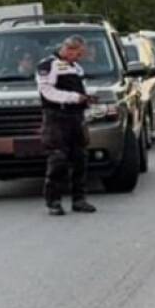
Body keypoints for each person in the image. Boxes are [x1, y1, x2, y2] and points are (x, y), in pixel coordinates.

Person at [37, 36, 97, 216]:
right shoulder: (48, 65)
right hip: (57, 117)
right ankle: (53, 201)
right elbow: (47, 92)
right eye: (78, 53)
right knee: (58, 159)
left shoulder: (76, 67)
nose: (80, 57)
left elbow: (80, 90)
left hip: (76, 117)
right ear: (69, 49)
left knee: (80, 157)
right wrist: (73, 97)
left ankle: (79, 199)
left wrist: (86, 99)